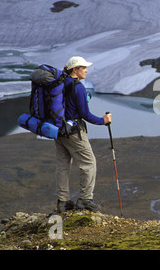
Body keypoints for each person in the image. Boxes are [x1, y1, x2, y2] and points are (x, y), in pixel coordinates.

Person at [55, 56, 112, 213]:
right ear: (75, 70)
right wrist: (103, 120)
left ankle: (63, 201)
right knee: (89, 163)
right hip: (73, 132)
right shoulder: (78, 87)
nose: (86, 70)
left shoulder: (60, 83)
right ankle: (85, 199)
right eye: (84, 67)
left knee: (63, 165)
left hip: (59, 130)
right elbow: (85, 114)